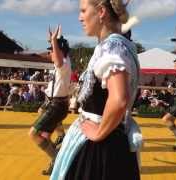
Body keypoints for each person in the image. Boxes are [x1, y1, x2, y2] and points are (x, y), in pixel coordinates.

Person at [51, 0, 141, 179]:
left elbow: (119, 99)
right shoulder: (118, 46)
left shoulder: (111, 48)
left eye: (83, 11)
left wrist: (99, 132)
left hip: (99, 150)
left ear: (101, 12)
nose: (79, 17)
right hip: (110, 140)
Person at [28, 29, 71, 175]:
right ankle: (56, 158)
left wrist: (54, 41)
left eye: (52, 51)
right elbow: (58, 56)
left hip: (56, 105)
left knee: (33, 134)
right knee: (45, 136)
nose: (50, 53)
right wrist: (53, 40)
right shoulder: (65, 62)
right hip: (56, 104)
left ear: (59, 51)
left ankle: (58, 159)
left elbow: (58, 58)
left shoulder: (63, 63)